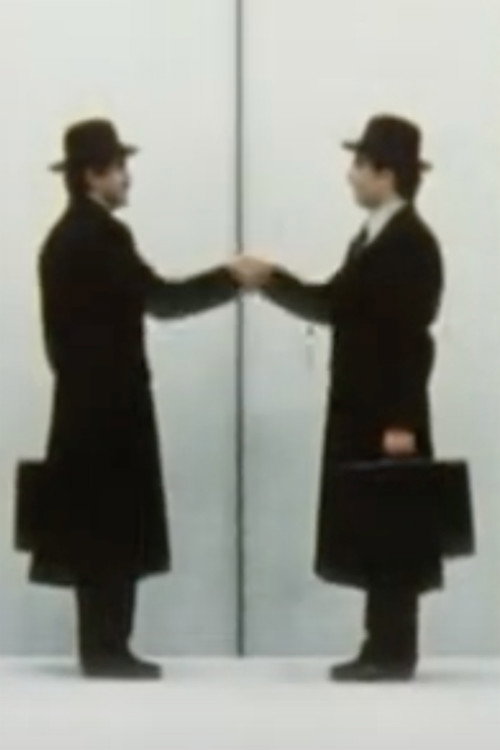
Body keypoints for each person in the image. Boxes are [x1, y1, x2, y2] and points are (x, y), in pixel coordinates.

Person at [231, 115, 444, 681]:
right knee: (377, 524)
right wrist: (270, 280)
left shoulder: (411, 244)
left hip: (387, 412)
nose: (351, 176)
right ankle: (381, 645)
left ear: (386, 174)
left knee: (392, 526)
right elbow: (336, 305)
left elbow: (412, 340)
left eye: (359, 165)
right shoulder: (374, 238)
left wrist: (401, 420)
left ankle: (393, 651)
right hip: (363, 406)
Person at [33, 119, 240, 679]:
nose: (127, 178)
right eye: (119, 168)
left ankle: (99, 647)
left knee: (93, 526)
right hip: (111, 407)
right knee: (114, 523)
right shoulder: (102, 237)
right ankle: (109, 650)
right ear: (93, 175)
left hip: (79, 404)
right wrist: (231, 280)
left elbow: (57, 340)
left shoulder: (61, 238)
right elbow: (161, 299)